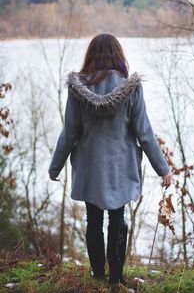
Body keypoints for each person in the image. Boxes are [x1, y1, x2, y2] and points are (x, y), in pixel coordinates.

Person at [49, 33, 172, 285]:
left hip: (90, 167)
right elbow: (145, 133)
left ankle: (97, 273)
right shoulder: (132, 89)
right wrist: (163, 169)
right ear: (118, 55)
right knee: (118, 218)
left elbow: (69, 132)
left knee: (93, 219)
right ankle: (115, 277)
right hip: (121, 167)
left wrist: (55, 167)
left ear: (91, 56)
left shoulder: (77, 90)